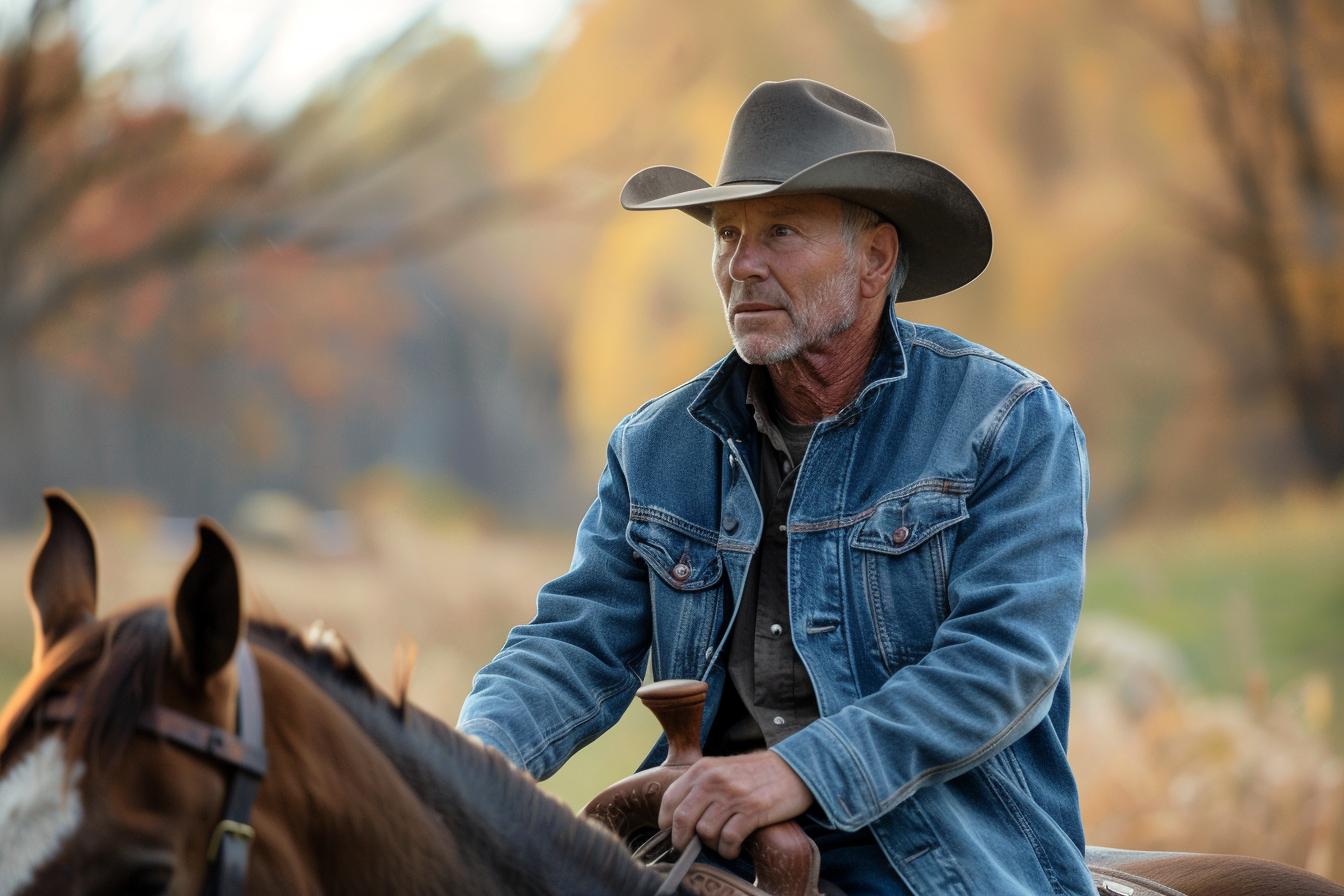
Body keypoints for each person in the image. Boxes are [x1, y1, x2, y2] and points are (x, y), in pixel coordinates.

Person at [458, 79, 1094, 896]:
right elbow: (572, 644)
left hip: (947, 862)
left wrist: (797, 771)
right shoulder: (653, 447)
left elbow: (1002, 660)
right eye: (727, 235)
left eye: (780, 232)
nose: (741, 265)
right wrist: (466, 759)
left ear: (875, 260)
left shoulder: (1008, 421)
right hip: (705, 846)